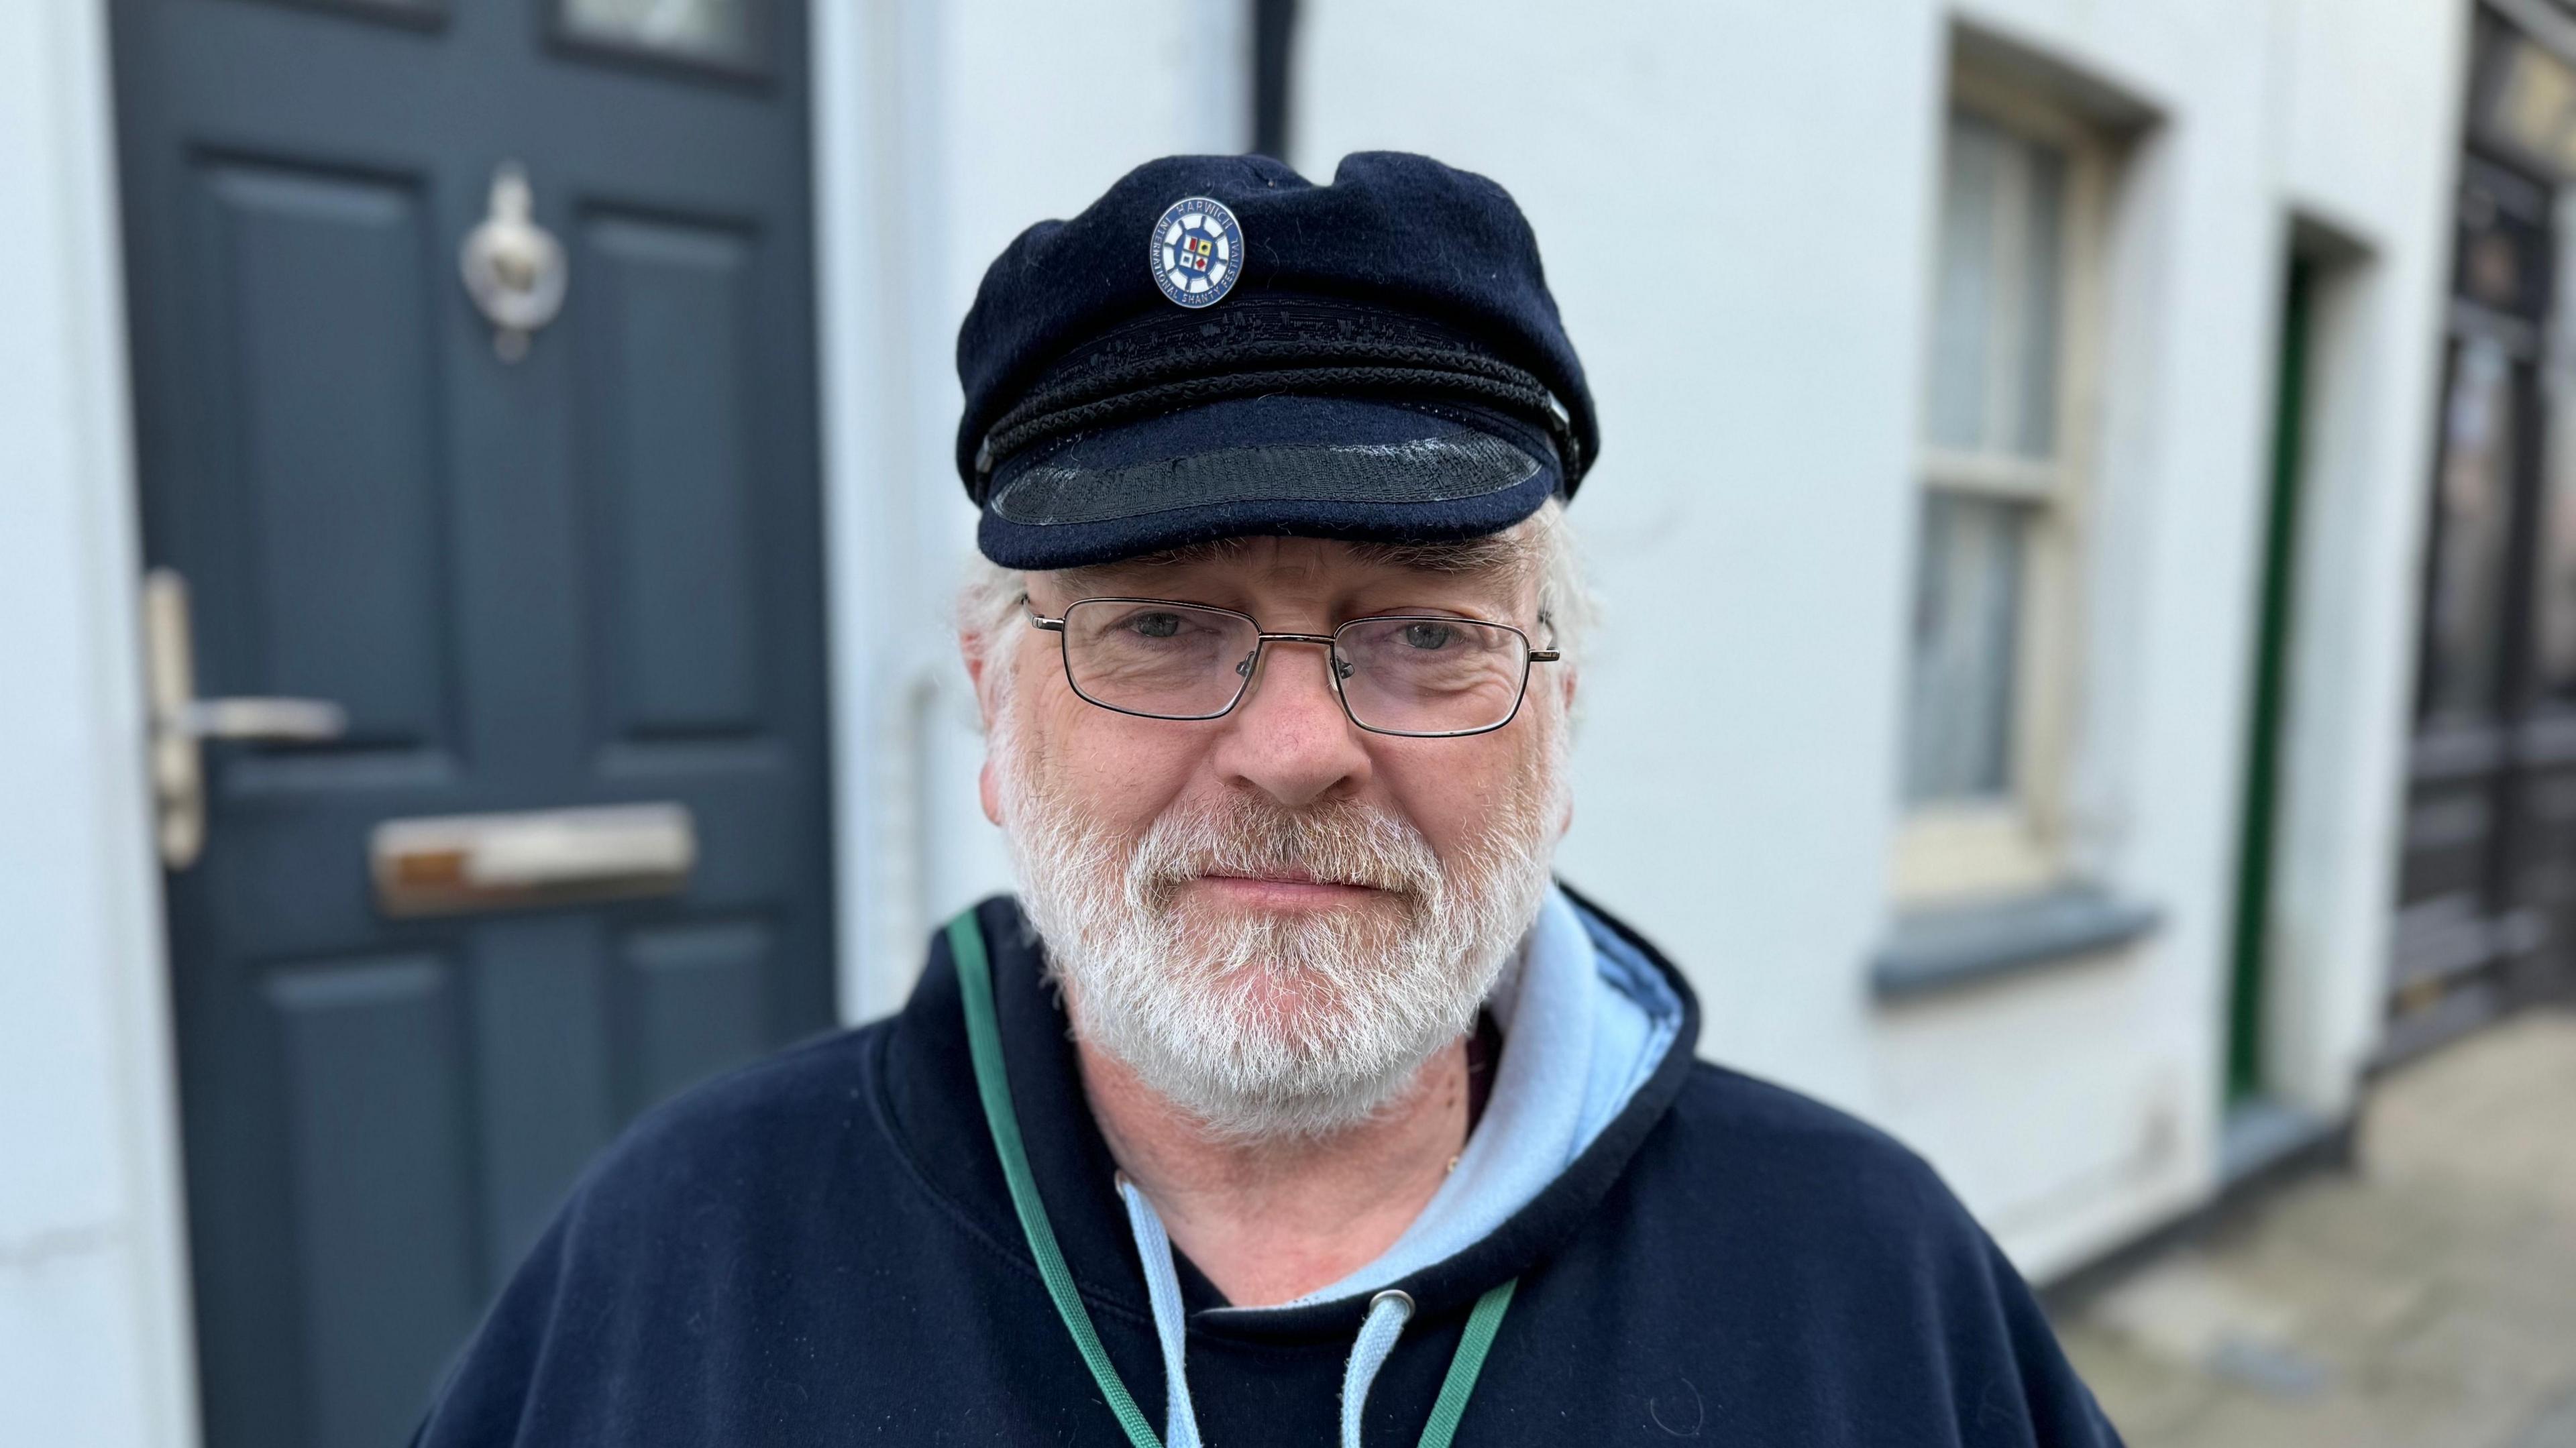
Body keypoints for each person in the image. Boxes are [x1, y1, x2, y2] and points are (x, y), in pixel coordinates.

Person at [415, 152, 2123, 1447]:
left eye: (1422, 632)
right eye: (1161, 626)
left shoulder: (1864, 1292)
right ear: (997, 708)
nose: (1298, 749)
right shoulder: (678, 1276)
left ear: (1559, 708)